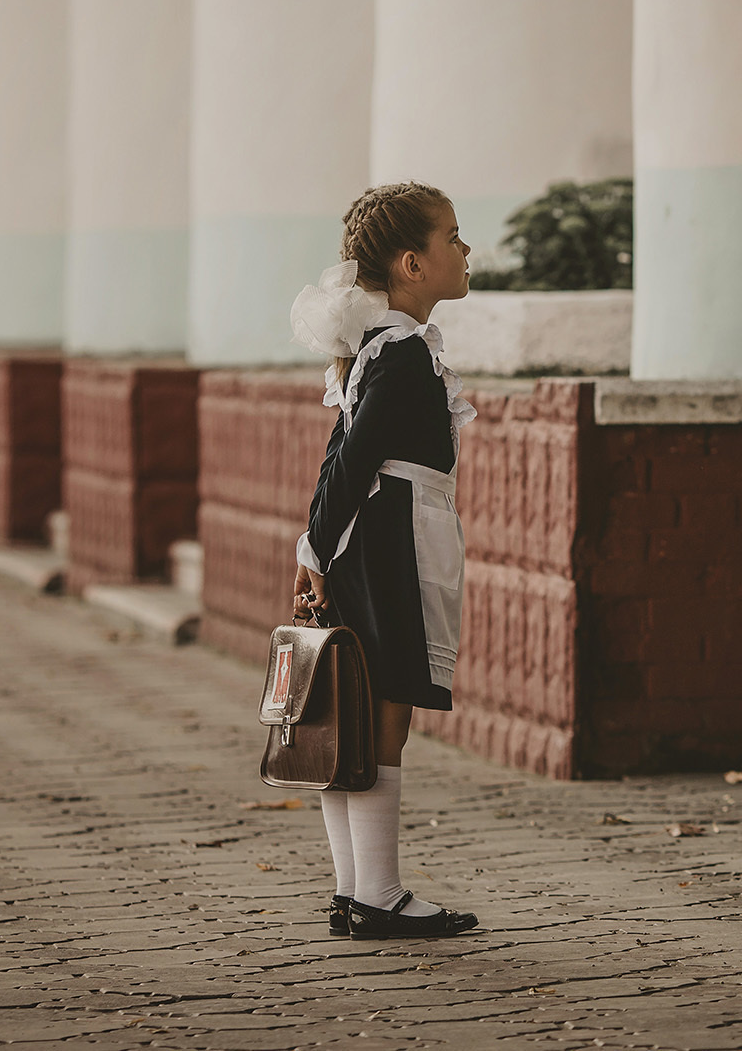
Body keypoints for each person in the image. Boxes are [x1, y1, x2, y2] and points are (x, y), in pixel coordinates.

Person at [288, 182, 481, 939]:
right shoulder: (399, 351)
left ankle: (356, 888)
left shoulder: (384, 347)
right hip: (389, 539)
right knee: (383, 714)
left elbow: (340, 456)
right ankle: (380, 893)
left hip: (373, 537)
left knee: (359, 718)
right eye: (453, 237)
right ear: (412, 262)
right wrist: (314, 546)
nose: (466, 250)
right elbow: (354, 456)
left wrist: (315, 546)